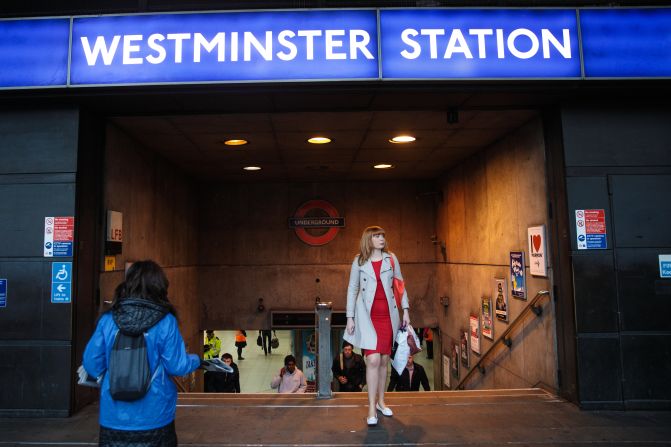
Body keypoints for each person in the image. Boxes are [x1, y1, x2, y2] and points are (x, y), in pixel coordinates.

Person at [83, 260, 201, 446]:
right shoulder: (166, 321)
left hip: (113, 417)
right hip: (156, 414)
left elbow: (92, 364)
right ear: (160, 286)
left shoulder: (108, 319)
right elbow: (177, 366)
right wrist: (196, 360)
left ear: (128, 283)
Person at [344, 226, 410, 426]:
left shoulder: (391, 258)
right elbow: (352, 288)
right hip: (366, 317)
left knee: (383, 361)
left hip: (388, 316)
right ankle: (371, 407)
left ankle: (381, 401)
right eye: (377, 236)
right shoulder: (359, 261)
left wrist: (405, 309)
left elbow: (399, 285)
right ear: (368, 240)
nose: (382, 239)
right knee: (372, 359)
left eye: (383, 235)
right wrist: (350, 317)